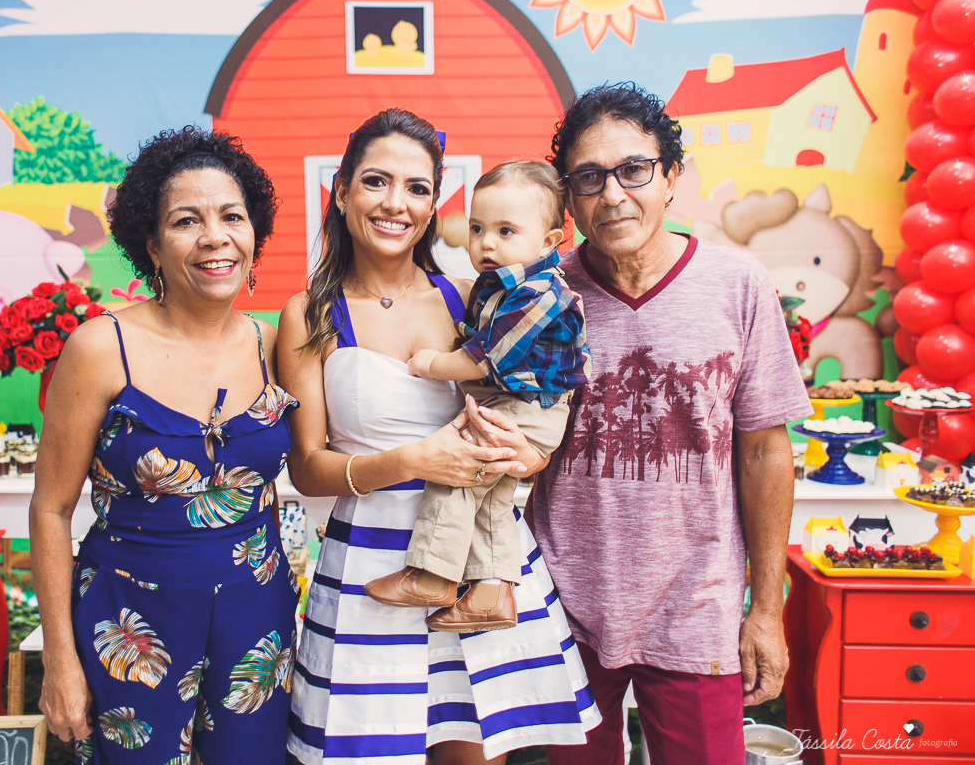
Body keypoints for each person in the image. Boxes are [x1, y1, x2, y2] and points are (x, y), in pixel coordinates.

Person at [279, 109, 600, 765]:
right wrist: (412, 461)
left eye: (417, 188)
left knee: (473, 750)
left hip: (476, 560)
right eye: (376, 181)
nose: (396, 203)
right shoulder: (310, 312)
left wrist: (533, 452)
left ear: (432, 207)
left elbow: (534, 389)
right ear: (340, 191)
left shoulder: (467, 298)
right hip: (371, 565)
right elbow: (307, 468)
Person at [531, 83, 812, 764]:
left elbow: (766, 452)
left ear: (670, 178)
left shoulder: (738, 284)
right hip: (565, 606)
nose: (613, 194)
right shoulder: (541, 296)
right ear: (569, 199)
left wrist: (765, 609)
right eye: (589, 178)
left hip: (698, 604)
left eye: (634, 169)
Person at [29, 126, 300, 765]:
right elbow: (50, 509)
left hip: (255, 616)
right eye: (187, 220)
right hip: (129, 621)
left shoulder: (275, 344)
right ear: (151, 245)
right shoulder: (100, 348)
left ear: (254, 232)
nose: (215, 237)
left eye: (232, 216)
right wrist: (60, 661)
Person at [364, 161, 590, 634]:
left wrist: (430, 363)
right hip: (515, 403)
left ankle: (432, 575)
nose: (486, 243)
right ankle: (491, 593)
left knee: (459, 472)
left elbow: (482, 358)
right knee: (490, 494)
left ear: (549, 241)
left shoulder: (539, 292)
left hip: (531, 408)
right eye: (477, 228)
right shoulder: (497, 286)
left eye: (506, 230)